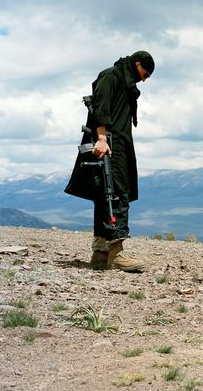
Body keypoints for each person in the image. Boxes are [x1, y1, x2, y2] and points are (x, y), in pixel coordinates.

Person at [64, 51, 155, 272]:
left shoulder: (124, 82)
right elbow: (101, 108)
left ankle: (100, 252)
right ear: (137, 64)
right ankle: (116, 252)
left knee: (106, 195)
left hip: (119, 145)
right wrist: (103, 138)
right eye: (145, 73)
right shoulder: (111, 76)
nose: (144, 79)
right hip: (110, 144)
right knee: (116, 194)